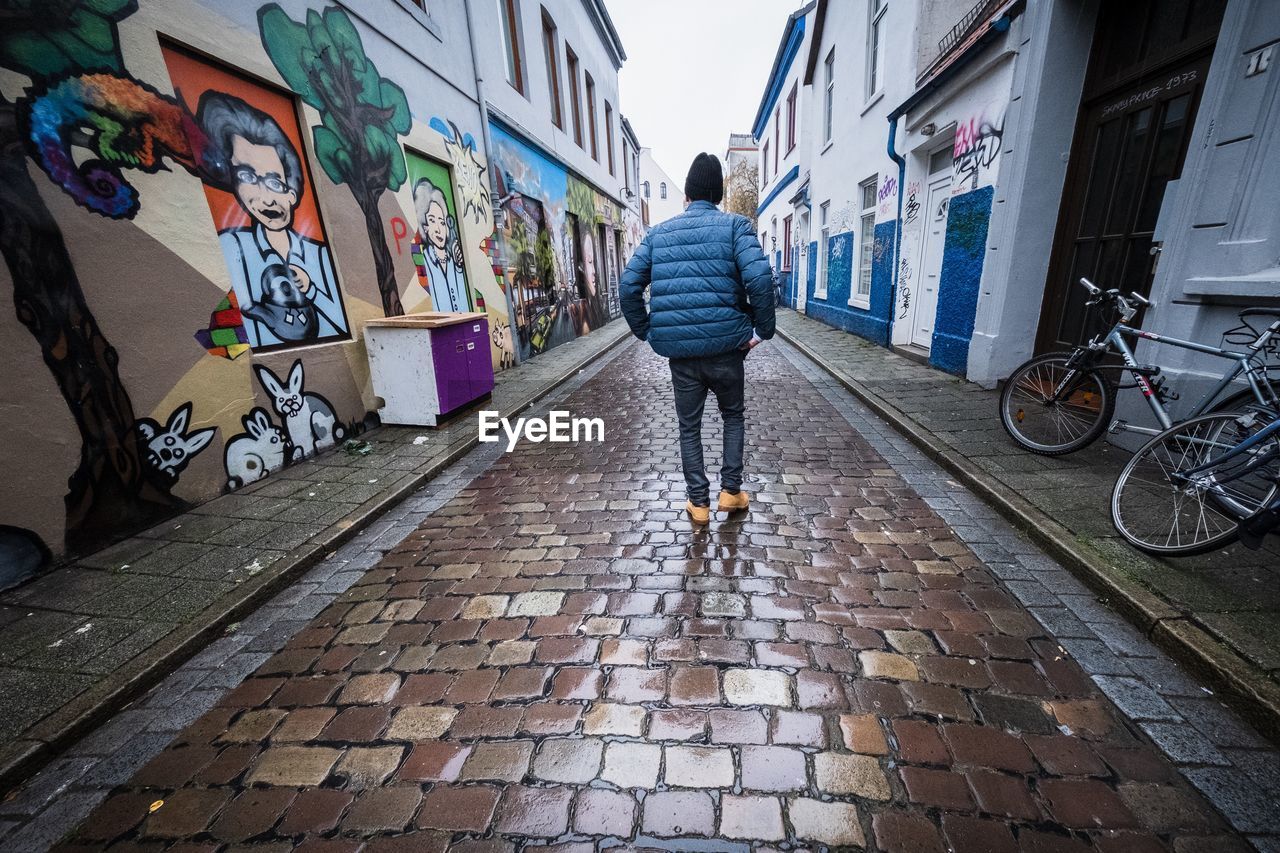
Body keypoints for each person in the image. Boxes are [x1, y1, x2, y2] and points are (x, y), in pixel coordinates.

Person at [620, 152, 775, 524]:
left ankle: (699, 504)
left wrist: (648, 330)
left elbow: (628, 287)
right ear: (719, 193)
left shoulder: (658, 234)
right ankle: (731, 492)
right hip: (728, 350)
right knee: (732, 416)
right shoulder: (737, 227)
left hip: (683, 358)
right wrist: (761, 331)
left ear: (687, 192)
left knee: (689, 427)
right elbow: (760, 281)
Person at [197, 91, 348, 348]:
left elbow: (343, 326)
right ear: (235, 187)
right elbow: (218, 338)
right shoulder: (231, 246)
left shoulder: (319, 255)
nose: (266, 198)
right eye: (247, 177)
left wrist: (311, 289)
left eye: (274, 182)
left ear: (292, 192)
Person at [412, 178, 472, 313]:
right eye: (432, 221)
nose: (439, 229)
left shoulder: (453, 261)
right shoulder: (425, 262)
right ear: (424, 226)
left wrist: (458, 268)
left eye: (442, 222)